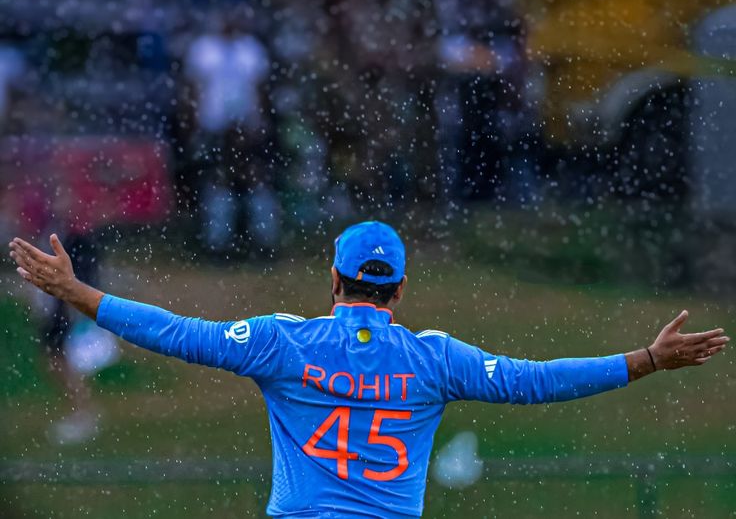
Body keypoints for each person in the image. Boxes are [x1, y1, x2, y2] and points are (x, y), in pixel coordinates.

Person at [9, 220, 728, 517]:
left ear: (334, 277)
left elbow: (174, 331)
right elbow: (536, 379)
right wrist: (646, 360)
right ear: (401, 289)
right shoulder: (433, 359)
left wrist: (78, 293)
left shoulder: (282, 342)